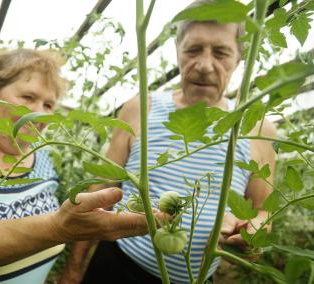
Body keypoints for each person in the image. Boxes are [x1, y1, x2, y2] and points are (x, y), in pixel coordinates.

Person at [60, 1, 277, 283]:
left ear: (238, 59)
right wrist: (74, 267)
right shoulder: (141, 107)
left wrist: (252, 231)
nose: (204, 65)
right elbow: (101, 186)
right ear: (177, 51)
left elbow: (264, 210)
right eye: (193, 49)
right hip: (115, 265)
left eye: (221, 53)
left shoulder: (257, 129)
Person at [0, 48, 150, 284]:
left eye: (48, 105)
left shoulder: (41, 158)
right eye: (28, 97)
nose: (39, 113)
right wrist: (58, 228)